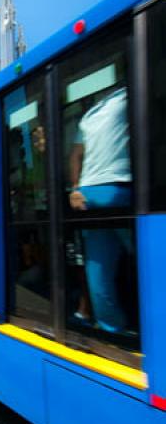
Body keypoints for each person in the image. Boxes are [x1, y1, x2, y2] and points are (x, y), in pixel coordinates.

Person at [69, 85, 132, 333]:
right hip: (121, 186)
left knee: (98, 270)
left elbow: (75, 155)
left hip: (89, 193)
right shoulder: (127, 96)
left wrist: (75, 189)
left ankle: (112, 328)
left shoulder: (87, 117)